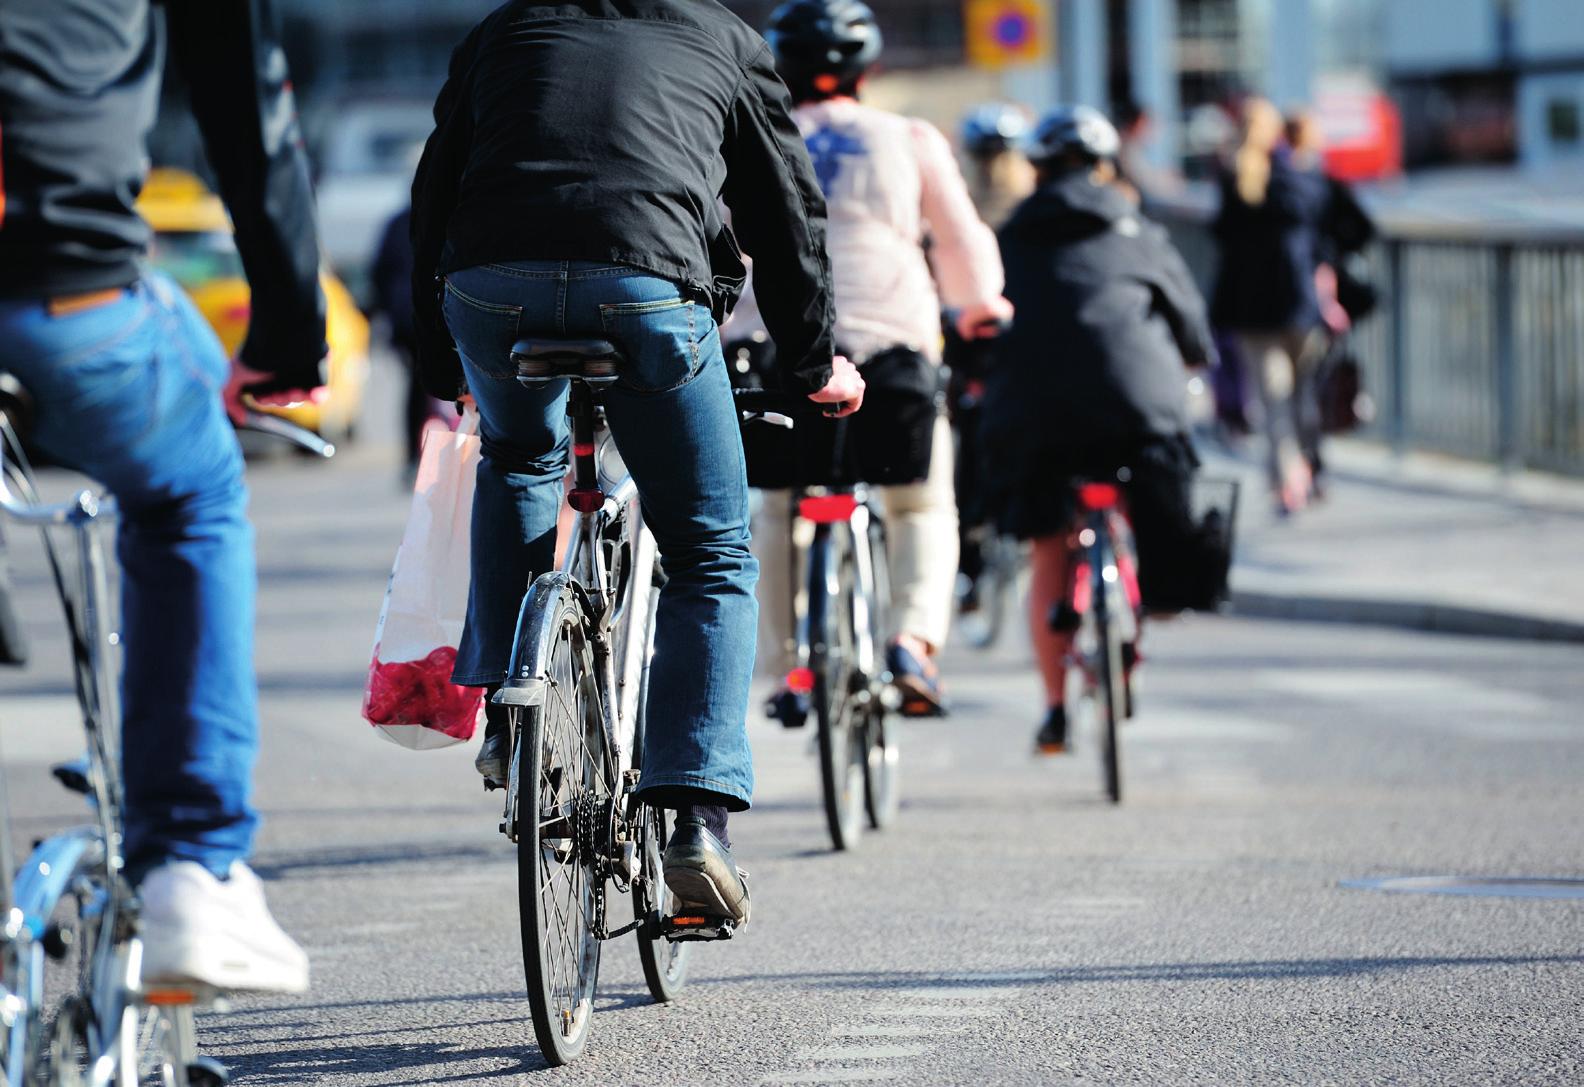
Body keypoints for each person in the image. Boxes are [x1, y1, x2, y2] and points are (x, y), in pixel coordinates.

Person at [409, 0, 860, 927]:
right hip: (648, 289)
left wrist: (437, 360)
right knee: (710, 550)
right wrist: (813, 365)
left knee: (521, 456)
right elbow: (784, 210)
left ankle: (509, 708)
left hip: (492, 289)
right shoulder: (723, 36)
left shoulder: (508, 28)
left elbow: (437, 185)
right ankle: (697, 814)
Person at [0, 0, 324, 991]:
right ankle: (193, 861)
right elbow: (248, 110)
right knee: (194, 494)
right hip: (64, 294)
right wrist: (285, 338)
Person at [736, 0, 1013, 719]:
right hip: (893, 342)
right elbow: (957, 237)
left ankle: (789, 669)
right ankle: (913, 642)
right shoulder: (908, 136)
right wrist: (980, 303)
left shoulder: (752, 133)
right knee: (921, 499)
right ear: (870, 69)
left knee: (778, 503)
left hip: (778, 344)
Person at [984, 106, 1215, 753]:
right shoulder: (1137, 229)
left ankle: (1055, 708)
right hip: (1136, 408)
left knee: (1049, 550)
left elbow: (981, 325)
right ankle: (1137, 609)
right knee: (1151, 494)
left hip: (1034, 416)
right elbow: (1192, 329)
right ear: (1106, 166)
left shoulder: (1008, 235)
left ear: (1037, 168)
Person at [1210, 97, 1331, 516]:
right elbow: (1325, 228)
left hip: (1251, 310)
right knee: (1302, 396)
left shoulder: (1232, 179)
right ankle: (1307, 472)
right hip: (1298, 304)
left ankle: (1286, 483)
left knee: (1273, 401)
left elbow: (1221, 237)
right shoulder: (1297, 175)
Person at [960, 103, 1037, 229]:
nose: (994, 173)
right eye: (985, 159)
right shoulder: (961, 206)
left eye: (1004, 160)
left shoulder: (1038, 208)